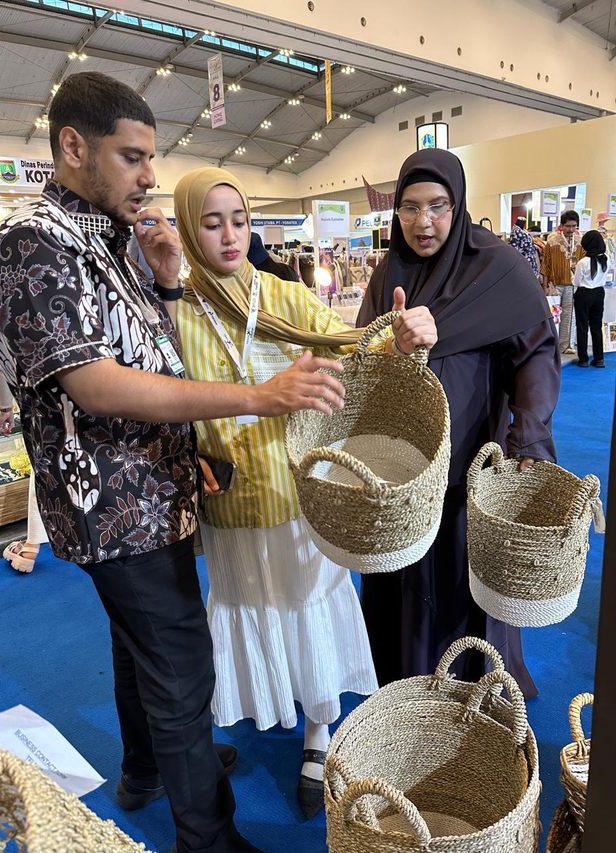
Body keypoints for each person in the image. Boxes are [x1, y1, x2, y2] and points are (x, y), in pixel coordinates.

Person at [0, 72, 349, 853]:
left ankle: (147, 766)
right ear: (73, 147)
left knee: (136, 642)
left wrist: (170, 286)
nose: (149, 175)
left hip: (157, 491)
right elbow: (95, 381)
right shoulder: (27, 244)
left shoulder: (111, 238)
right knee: (182, 668)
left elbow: (154, 358)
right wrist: (256, 397)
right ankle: (206, 836)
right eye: (133, 156)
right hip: (116, 506)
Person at [172, 166, 437, 819]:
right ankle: (277, 701)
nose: (230, 235)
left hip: (299, 491)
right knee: (248, 600)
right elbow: (166, 404)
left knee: (311, 599)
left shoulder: (281, 295)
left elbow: (350, 343)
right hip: (229, 500)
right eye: (211, 222)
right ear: (186, 227)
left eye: (239, 219)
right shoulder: (175, 313)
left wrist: (399, 335)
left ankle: (319, 732)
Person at [356, 149, 561, 698]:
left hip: (471, 460)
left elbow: (536, 351)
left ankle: (474, 695)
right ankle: (409, 697)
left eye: (438, 206)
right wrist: (393, 344)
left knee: (465, 579)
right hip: (403, 470)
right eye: (409, 208)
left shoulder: (498, 269)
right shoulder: (388, 275)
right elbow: (362, 358)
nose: (424, 223)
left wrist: (529, 435)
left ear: (459, 203)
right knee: (401, 580)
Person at [0, 359, 49, 573]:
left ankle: (31, 546)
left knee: (43, 465)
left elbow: (2, 361)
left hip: (40, 396)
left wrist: (5, 406)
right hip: (90, 389)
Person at [541, 209, 583, 354]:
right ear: (561, 226)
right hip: (554, 284)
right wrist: (545, 286)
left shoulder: (580, 242)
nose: (571, 229)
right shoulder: (551, 243)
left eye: (574, 226)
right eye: (568, 226)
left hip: (572, 285)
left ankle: (566, 345)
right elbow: (545, 265)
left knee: (569, 315)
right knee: (552, 315)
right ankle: (550, 345)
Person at [573, 230, 611, 368]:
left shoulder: (583, 262)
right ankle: (599, 359)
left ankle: (583, 359)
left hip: (584, 294)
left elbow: (576, 282)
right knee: (596, 326)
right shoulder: (607, 258)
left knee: (582, 327)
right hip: (599, 293)